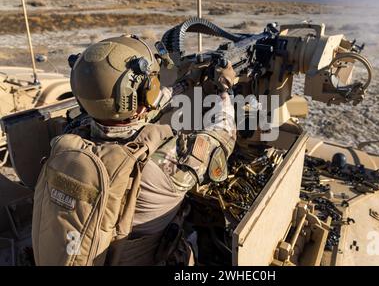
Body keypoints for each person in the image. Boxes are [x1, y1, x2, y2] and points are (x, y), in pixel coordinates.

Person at [45, 34, 236, 265]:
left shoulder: (72, 135)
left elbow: (142, 106)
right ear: (146, 92)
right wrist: (226, 91)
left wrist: (184, 84)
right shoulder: (169, 161)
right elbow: (223, 135)